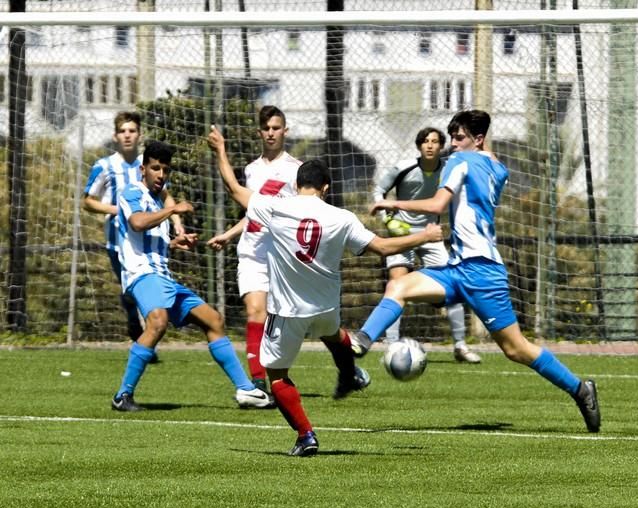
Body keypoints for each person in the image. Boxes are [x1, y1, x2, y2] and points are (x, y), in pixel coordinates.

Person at [352, 109, 600, 433]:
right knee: (397, 287)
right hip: (457, 268)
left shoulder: (460, 162)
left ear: (477, 139)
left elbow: (438, 206)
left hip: (482, 272)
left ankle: (580, 389)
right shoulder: (497, 167)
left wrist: (394, 203)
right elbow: (489, 163)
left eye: (459, 138)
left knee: (516, 349)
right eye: (451, 137)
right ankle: (362, 340)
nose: (452, 144)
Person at [208, 126, 443, 456]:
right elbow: (384, 247)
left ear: (295, 185)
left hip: (287, 312)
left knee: (276, 376)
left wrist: (220, 150)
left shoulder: (276, 208)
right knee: (334, 334)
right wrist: (424, 237)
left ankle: (306, 435)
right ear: (326, 188)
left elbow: (235, 190)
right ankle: (350, 373)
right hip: (325, 307)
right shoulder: (342, 217)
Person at [111, 140, 274, 412]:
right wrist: (173, 210)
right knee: (157, 322)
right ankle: (122, 395)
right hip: (143, 276)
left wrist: (176, 242)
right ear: (143, 169)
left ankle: (246, 390)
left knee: (213, 320)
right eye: (155, 169)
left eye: (165, 170)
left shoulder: (156, 199)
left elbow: (150, 240)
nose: (161, 175)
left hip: (162, 277)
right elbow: (137, 223)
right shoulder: (132, 192)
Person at [207, 106, 300, 393]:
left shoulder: (296, 170)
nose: (271, 133)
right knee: (255, 311)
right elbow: (253, 213)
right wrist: (229, 234)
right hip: (252, 253)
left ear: (285, 130)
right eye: (266, 128)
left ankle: (346, 366)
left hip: (281, 255)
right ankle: (257, 383)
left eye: (276, 127)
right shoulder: (251, 170)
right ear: (259, 132)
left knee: (286, 319)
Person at [83, 111, 183, 363]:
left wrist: (177, 222)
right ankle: (139, 328)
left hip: (149, 243)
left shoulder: (149, 164)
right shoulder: (105, 166)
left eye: (132, 130)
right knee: (134, 292)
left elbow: (164, 195)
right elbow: (88, 201)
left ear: (139, 134)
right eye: (122, 131)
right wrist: (118, 209)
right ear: (116, 136)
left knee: (145, 292)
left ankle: (145, 340)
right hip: (118, 242)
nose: (127, 135)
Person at [373, 126, 480, 363]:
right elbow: (379, 191)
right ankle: (391, 346)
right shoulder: (403, 168)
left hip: (431, 234)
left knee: (453, 287)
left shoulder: (448, 171)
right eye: (425, 141)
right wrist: (388, 220)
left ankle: (460, 346)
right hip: (401, 234)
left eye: (434, 141)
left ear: (441, 146)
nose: (430, 145)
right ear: (419, 146)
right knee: (397, 284)